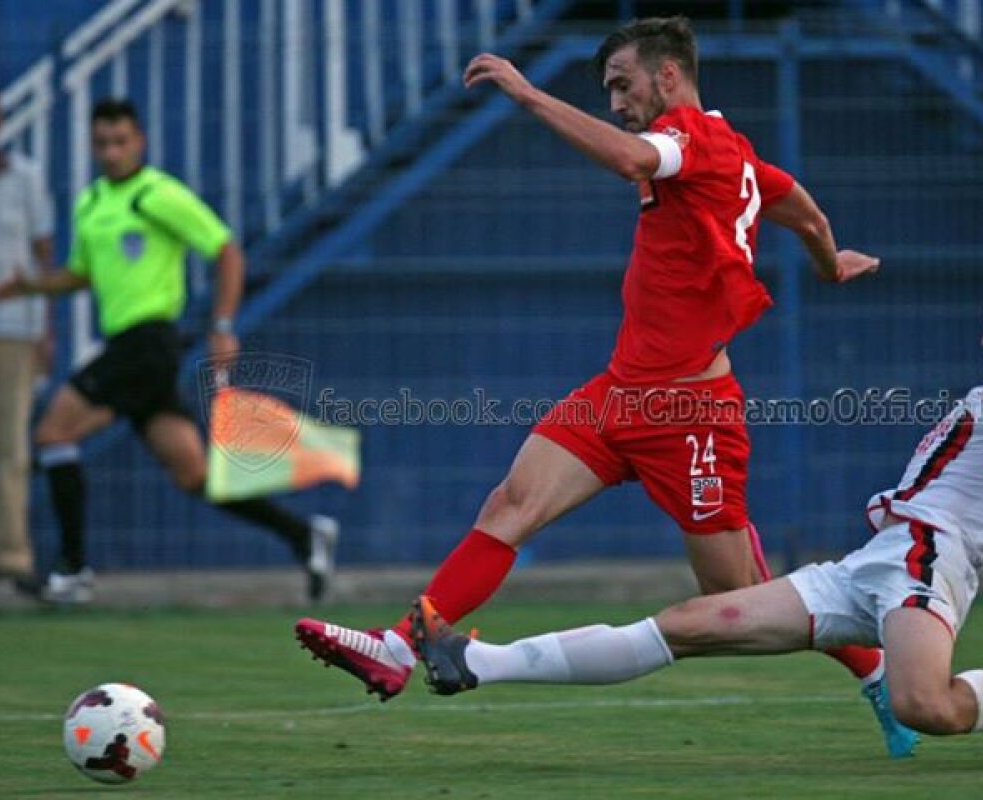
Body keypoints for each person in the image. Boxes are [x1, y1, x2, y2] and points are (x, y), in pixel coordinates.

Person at [295, 16, 915, 757]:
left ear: (669, 76)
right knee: (511, 504)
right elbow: (801, 206)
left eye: (623, 84)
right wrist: (825, 261)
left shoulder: (692, 142)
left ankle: (877, 664)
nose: (617, 101)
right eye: (608, 90)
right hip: (620, 394)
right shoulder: (732, 156)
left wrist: (526, 94)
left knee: (740, 595)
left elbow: (631, 159)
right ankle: (399, 650)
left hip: (691, 414)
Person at [410, 259, 983, 760]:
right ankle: (477, 661)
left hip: (927, 557)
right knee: (689, 624)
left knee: (927, 705)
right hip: (875, 564)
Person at [0, 98, 338, 604]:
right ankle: (304, 536)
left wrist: (223, 324)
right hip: (129, 349)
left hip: (148, 341)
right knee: (193, 473)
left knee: (51, 434)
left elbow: (225, 248)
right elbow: (82, 275)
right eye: (101, 144)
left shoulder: (157, 194)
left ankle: (73, 570)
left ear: (140, 142)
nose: (111, 153)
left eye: (120, 142)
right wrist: (28, 287)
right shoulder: (91, 203)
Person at [0, 89, 55, 584]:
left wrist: (45, 329)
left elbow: (44, 257)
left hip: (12, 330)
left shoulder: (26, 179)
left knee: (11, 446)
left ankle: (11, 556)